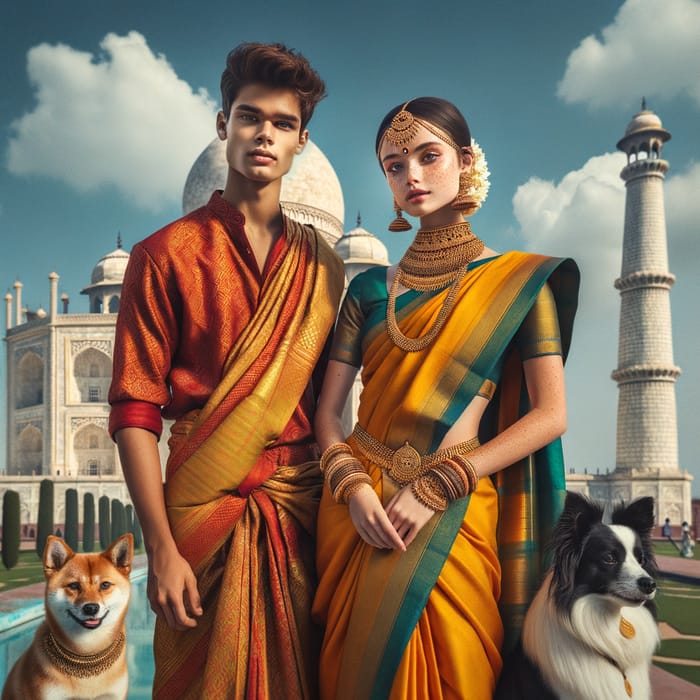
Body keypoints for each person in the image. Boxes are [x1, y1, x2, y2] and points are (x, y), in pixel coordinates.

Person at [312, 97, 579, 699]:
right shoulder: (370, 289)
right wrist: (351, 486)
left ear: (464, 161)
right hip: (361, 510)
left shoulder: (517, 284)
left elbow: (551, 414)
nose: (411, 176)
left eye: (428, 157)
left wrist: (443, 483)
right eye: (393, 164)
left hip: (453, 510)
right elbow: (328, 414)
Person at [108, 43, 344, 699]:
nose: (264, 134)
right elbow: (134, 410)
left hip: (298, 516)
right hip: (196, 522)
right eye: (249, 117)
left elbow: (332, 409)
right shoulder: (164, 255)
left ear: (302, 141)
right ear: (223, 125)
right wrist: (159, 548)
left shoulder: (323, 270)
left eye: (283, 123)